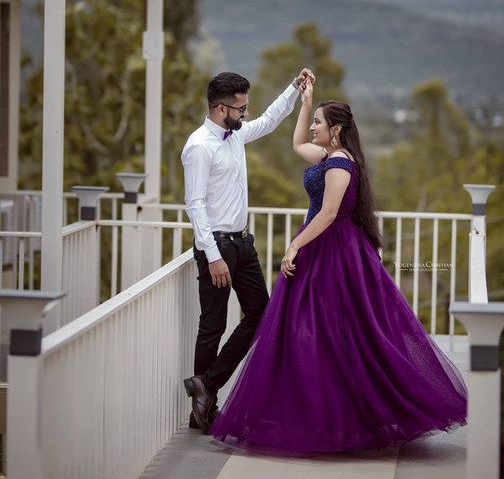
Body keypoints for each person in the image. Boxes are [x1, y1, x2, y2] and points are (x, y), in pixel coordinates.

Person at [211, 78, 467, 454]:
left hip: (333, 252)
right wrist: (305, 102)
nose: (313, 127)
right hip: (319, 248)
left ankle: (352, 415)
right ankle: (312, 413)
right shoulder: (328, 156)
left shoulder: (341, 162)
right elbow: (298, 144)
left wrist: (295, 244)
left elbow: (329, 213)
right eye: (313, 120)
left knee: (341, 332)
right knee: (313, 330)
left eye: (318, 122)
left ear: (337, 130)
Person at [182, 68, 315, 433]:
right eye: (241, 109)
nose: (245, 114)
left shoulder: (236, 135)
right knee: (213, 326)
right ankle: (203, 413)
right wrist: (213, 256)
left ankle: (206, 384)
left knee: (262, 313)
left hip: (243, 244)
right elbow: (194, 205)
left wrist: (293, 88)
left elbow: (270, 120)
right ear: (221, 108)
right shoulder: (198, 146)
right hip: (218, 248)